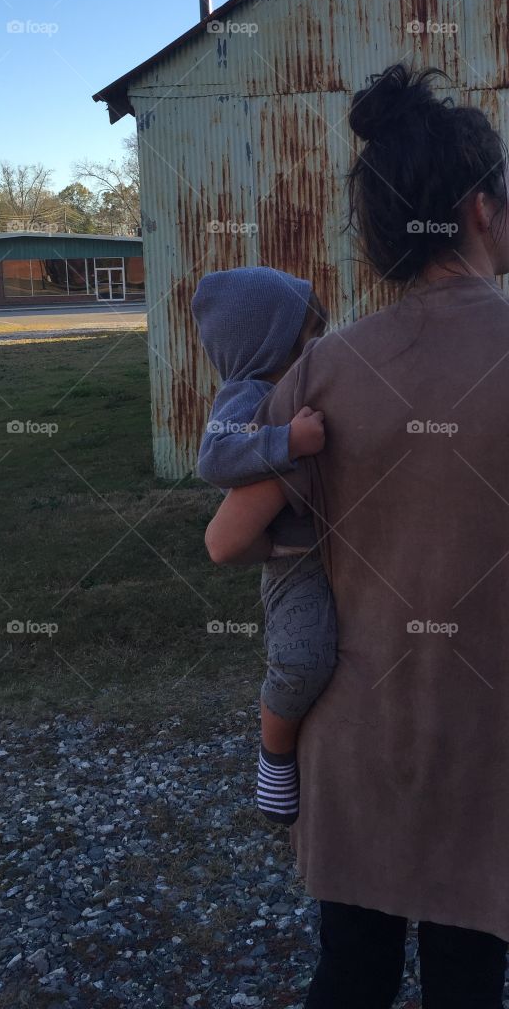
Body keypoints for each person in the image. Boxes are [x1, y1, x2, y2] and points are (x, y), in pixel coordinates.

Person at [205, 64, 509, 1008]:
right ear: (484, 208)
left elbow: (229, 536)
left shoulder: (323, 370)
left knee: (350, 975)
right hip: (499, 751)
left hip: (356, 745)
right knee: (465, 982)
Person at [192, 266, 332, 824]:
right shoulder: (247, 392)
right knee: (300, 660)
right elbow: (214, 459)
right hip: (294, 560)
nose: (317, 347)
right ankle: (275, 758)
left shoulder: (302, 383)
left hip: (338, 548)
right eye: (308, 337)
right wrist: (287, 440)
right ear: (269, 342)